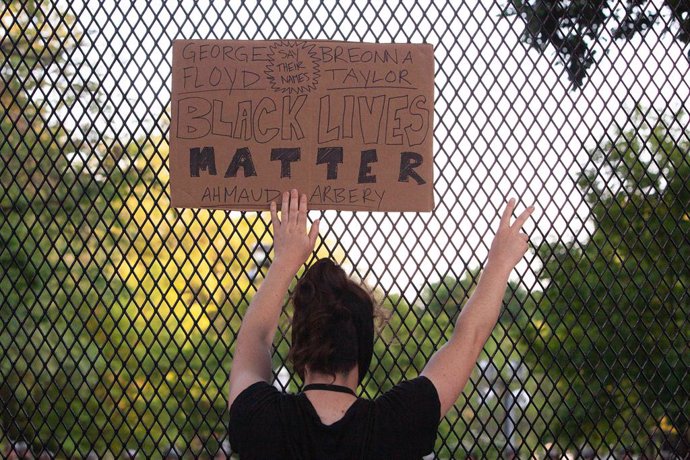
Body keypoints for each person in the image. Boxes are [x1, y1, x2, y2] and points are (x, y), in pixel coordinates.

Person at [228, 189, 534, 459]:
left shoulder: (260, 419)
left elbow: (253, 340)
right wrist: (499, 263)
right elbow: (470, 337)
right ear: (363, 348)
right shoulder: (395, 425)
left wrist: (284, 260)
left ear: (300, 345)